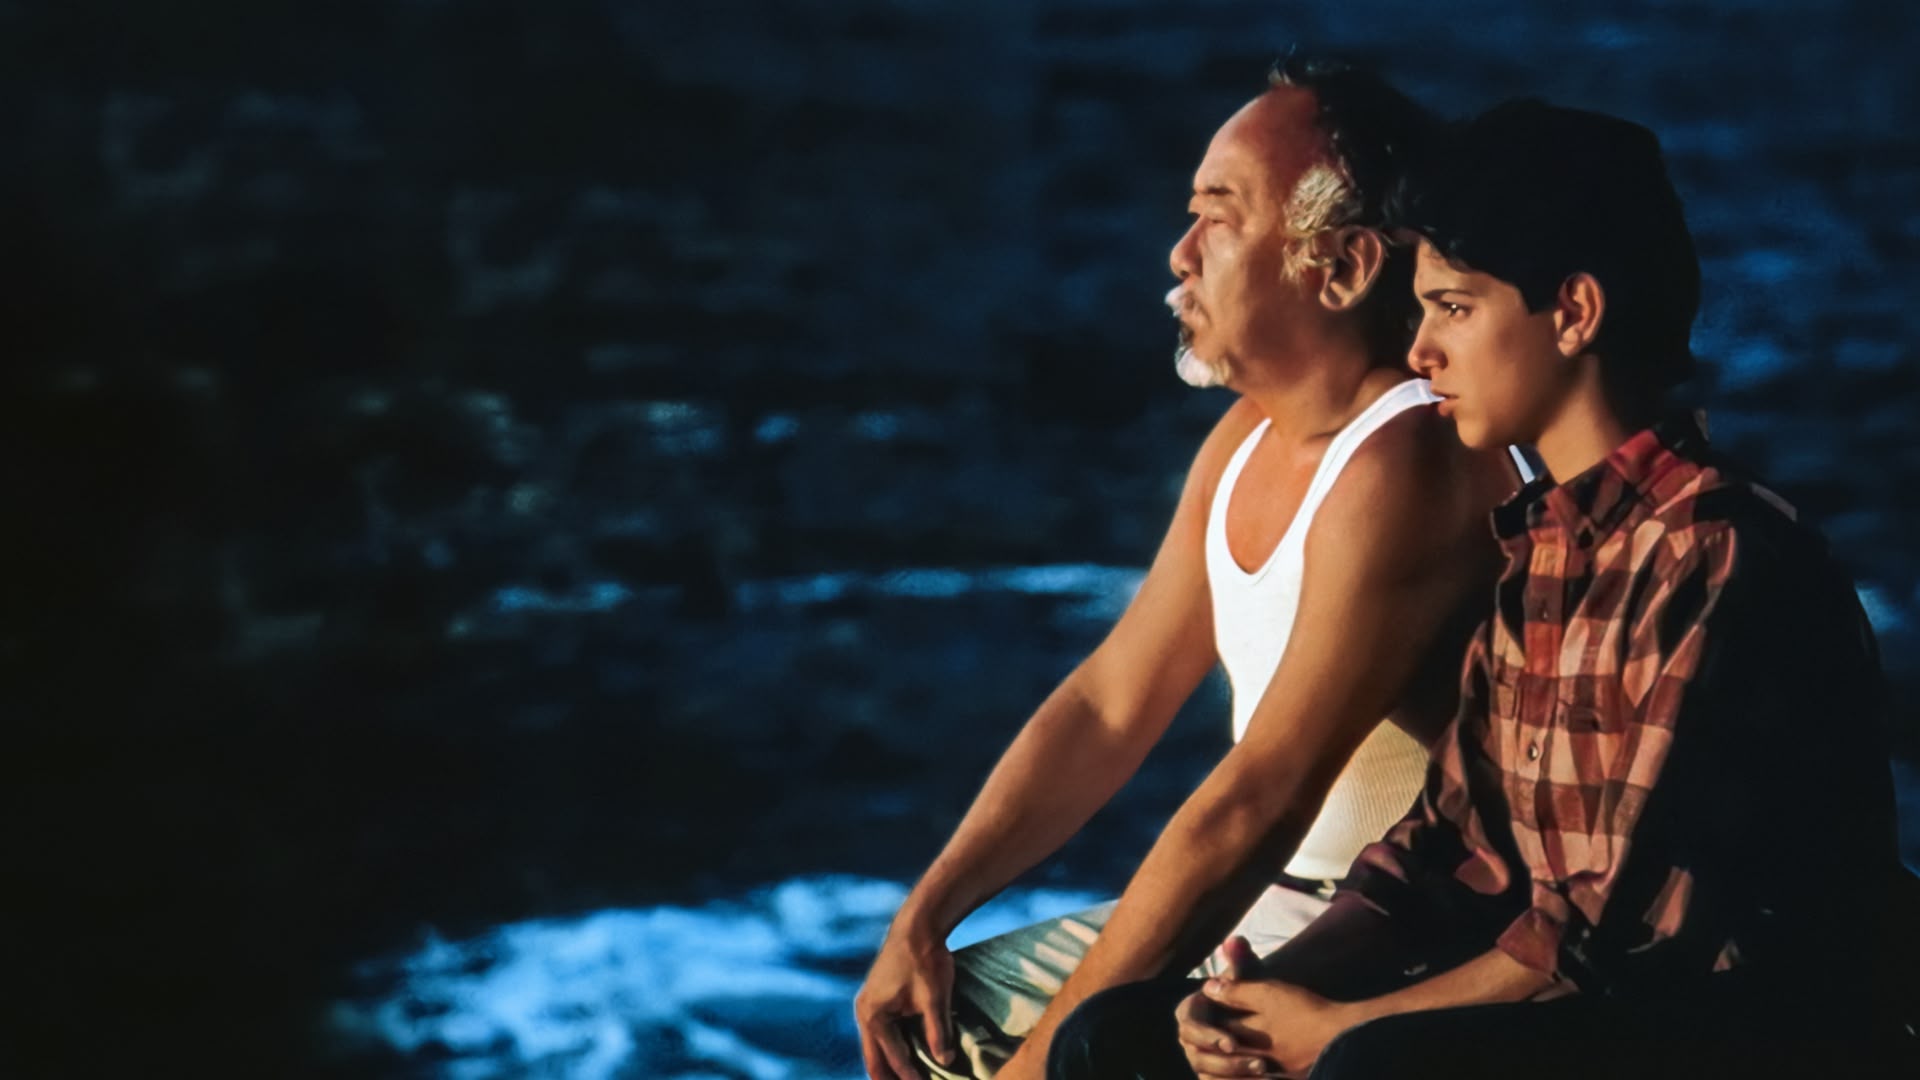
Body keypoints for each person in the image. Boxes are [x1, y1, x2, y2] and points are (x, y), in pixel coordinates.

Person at [1049, 100, 1918, 1080]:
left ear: (1574, 313)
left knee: (1373, 1067)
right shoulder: (1542, 544)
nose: (1421, 350)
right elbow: (1448, 856)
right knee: (1117, 1040)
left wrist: (1334, 1030)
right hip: (1571, 1010)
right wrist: (1269, 995)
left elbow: (1603, 939)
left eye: (1454, 308)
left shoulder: (1712, 554)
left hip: (1741, 1035)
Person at [854, 57, 1521, 1080]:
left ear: (1342, 267)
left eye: (1219, 216)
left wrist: (1045, 1065)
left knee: (1055, 1054)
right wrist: (926, 916)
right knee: (934, 1026)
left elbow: (1262, 796)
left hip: (1395, 932)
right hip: (1274, 903)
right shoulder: (1247, 437)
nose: (1179, 254)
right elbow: (1110, 705)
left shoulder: (1411, 458)